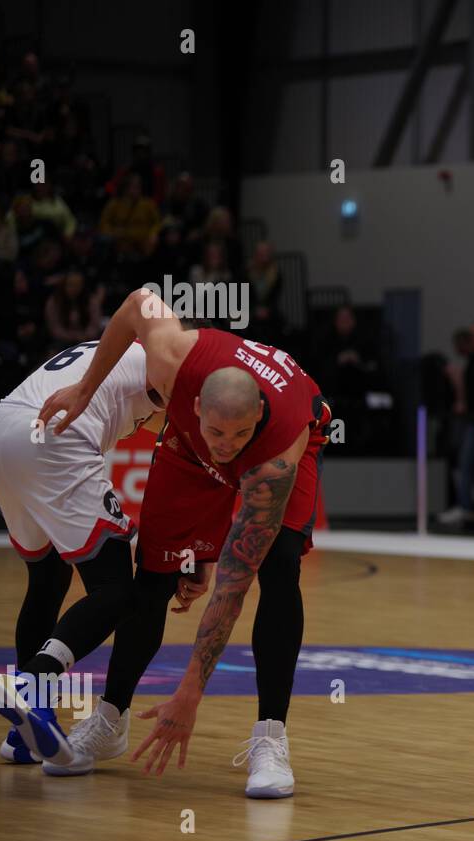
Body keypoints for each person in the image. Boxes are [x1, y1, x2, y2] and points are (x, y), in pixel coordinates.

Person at [37, 288, 332, 798]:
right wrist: (86, 390)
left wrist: (190, 692)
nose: (226, 446)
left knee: (279, 568)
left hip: (288, 440)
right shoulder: (171, 359)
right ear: (192, 405)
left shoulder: (273, 453)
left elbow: (232, 587)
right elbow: (137, 302)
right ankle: (111, 717)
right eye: (217, 432)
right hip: (186, 451)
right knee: (153, 576)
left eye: (237, 435)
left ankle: (269, 737)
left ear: (257, 416)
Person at [0, 339, 172, 771]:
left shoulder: (121, 354)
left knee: (48, 579)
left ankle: (24, 733)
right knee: (118, 590)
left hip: (0, 432)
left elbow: (152, 422)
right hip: (54, 440)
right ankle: (32, 682)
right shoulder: (170, 360)